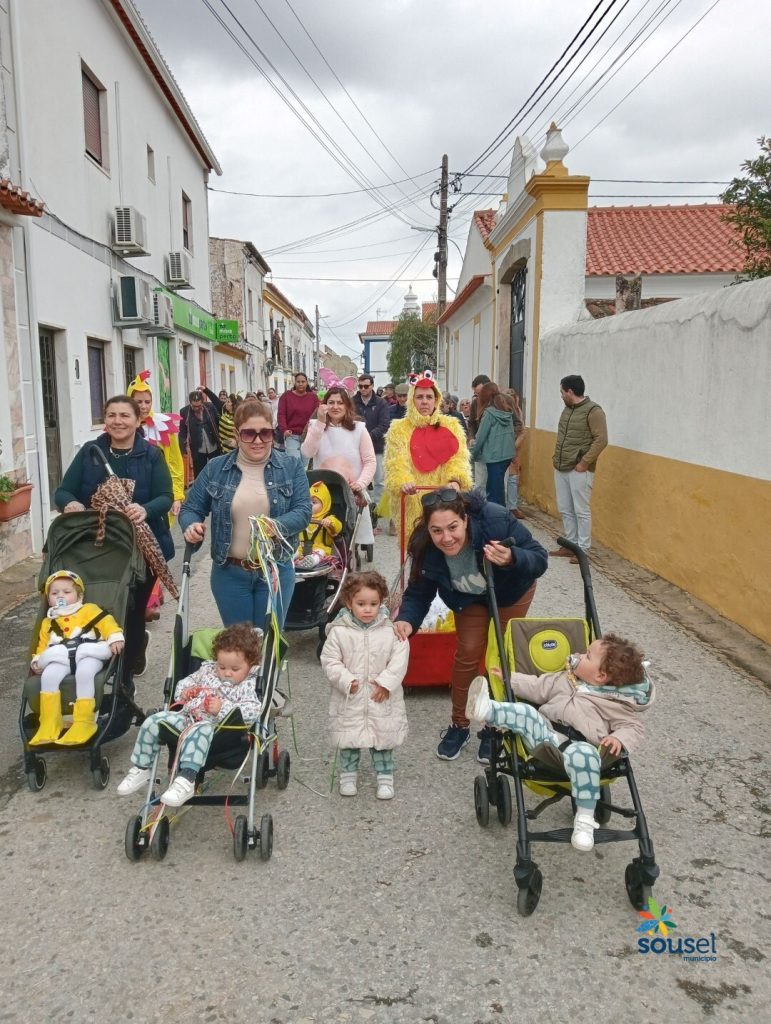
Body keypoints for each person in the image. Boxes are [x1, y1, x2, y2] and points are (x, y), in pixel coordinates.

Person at [393, 488, 548, 762]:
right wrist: (406, 620)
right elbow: (419, 591)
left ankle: (495, 726)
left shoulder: (495, 520)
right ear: (428, 529)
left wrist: (512, 558)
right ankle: (459, 724)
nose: (446, 538)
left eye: (453, 527)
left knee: (500, 654)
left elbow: (539, 556)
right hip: (467, 596)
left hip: (511, 591)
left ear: (465, 519)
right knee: (468, 652)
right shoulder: (425, 546)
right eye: (437, 530)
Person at [465, 633, 652, 851]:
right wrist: (510, 679)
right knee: (527, 713)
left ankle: (584, 822)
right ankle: (486, 710)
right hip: (547, 741)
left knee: (584, 755)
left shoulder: (615, 702)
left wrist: (618, 737)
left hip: (583, 749)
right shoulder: (564, 679)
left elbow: (633, 727)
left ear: (601, 675)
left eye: (587, 656)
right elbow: (537, 687)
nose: (578, 655)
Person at [55, 395, 174, 680]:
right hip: (98, 547)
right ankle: (98, 666)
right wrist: (71, 503)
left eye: (124, 415)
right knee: (98, 607)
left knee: (131, 609)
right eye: (111, 415)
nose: (117, 421)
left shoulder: (151, 455)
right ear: (105, 420)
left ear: (137, 420)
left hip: (140, 547)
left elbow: (165, 497)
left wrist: (144, 509)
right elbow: (63, 491)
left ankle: (125, 676)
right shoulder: (91, 452)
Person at [180, 399, 311, 629]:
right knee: (239, 644)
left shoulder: (291, 466)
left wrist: (274, 526)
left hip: (276, 570)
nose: (258, 441)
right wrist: (191, 526)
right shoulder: (215, 468)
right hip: (229, 573)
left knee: (269, 642)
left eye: (265, 433)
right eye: (249, 433)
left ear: (273, 433)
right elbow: (191, 508)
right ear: (237, 434)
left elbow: (303, 511)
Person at [116, 623, 263, 807]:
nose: (226, 673)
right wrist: (186, 692)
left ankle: (186, 779)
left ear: (250, 665)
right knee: (153, 721)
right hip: (187, 719)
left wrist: (222, 708)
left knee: (200, 729)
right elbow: (184, 684)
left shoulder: (248, 684)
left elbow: (252, 710)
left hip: (218, 730)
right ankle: (142, 768)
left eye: (234, 669)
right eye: (222, 666)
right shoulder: (207, 670)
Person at [321, 571, 409, 800]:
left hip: (381, 696)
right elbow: (330, 660)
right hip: (351, 696)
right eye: (361, 604)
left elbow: (400, 658)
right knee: (349, 739)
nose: (368, 609)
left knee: (382, 740)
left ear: (381, 602)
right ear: (349, 602)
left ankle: (385, 778)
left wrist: (386, 683)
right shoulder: (339, 631)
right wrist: (345, 680)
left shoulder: (390, 630)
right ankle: (348, 776)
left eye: (373, 604)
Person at [29, 570, 125, 746]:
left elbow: (107, 623)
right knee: (48, 676)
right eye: (54, 593)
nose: (60, 596)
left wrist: (114, 637)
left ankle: (84, 721)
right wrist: (37, 659)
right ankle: (50, 721)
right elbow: (43, 645)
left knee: (84, 673)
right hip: (61, 657)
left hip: (88, 653)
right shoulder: (48, 622)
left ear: (79, 595)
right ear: (48, 599)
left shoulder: (88, 610)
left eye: (66, 592)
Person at [383, 371, 472, 546]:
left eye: (429, 397)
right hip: (412, 497)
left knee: (446, 543)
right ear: (412, 400)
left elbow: (458, 458)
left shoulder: (451, 425)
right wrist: (403, 481)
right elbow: (395, 462)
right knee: (417, 546)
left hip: (444, 498)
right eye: (419, 397)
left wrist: (455, 480)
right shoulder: (398, 429)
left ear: (436, 400)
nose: (424, 401)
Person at [127, 371, 185, 621]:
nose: (143, 406)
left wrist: (177, 495)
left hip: (159, 498)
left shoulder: (162, 426)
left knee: (155, 547)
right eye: (138, 401)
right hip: (130, 499)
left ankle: (149, 600)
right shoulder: (122, 425)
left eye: (147, 401)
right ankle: (144, 596)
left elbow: (175, 463)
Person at [301, 385, 376, 547]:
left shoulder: (359, 429)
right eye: (331, 402)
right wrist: (320, 423)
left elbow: (370, 460)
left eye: (340, 403)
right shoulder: (316, 426)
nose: (335, 407)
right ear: (324, 405)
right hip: (322, 489)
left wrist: (361, 483)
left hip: (350, 489)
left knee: (347, 531)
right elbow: (307, 452)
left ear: (347, 405)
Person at [552, 374, 608, 562]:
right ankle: (570, 544)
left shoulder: (594, 411)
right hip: (561, 466)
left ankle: (582, 549)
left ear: (570, 392)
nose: (561, 396)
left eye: (562, 392)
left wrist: (584, 462)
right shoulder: (567, 410)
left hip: (579, 469)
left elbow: (601, 440)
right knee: (565, 508)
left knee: (581, 510)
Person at [471, 382, 517, 506]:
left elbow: (480, 437)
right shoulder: (506, 411)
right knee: (499, 488)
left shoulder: (489, 413)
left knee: (493, 492)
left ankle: (497, 515)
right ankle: (501, 512)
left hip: (493, 457)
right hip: (506, 456)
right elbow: (513, 433)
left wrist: (472, 455)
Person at [352, 373, 391, 519]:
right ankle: (361, 510)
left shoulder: (381, 403)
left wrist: (368, 436)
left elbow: (385, 424)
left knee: (379, 481)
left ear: (372, 386)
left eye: (366, 386)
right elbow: (349, 420)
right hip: (356, 448)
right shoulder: (352, 402)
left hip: (377, 447)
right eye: (360, 386)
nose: (363, 389)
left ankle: (377, 512)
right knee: (359, 479)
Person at [295, 480, 342, 570]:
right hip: (301, 547)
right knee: (294, 550)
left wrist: (330, 522)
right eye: (308, 501)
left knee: (320, 552)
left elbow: (338, 527)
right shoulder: (302, 516)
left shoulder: (328, 518)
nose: (310, 505)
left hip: (320, 547)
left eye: (314, 502)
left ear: (324, 504)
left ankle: (311, 560)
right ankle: (290, 559)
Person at [179, 388, 222, 479]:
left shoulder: (210, 407)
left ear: (202, 402)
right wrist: (183, 450)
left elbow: (219, 422)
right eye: (194, 406)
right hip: (197, 449)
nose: (196, 408)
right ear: (190, 403)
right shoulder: (184, 412)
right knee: (200, 475)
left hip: (213, 446)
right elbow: (182, 432)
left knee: (216, 471)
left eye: (199, 406)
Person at [277, 372, 319, 464]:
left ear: (307, 383)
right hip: (292, 435)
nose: (300, 384)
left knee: (305, 464)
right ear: (295, 383)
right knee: (295, 463)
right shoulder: (286, 396)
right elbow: (281, 414)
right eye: (298, 382)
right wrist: (284, 429)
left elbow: (317, 415)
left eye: (303, 381)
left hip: (308, 436)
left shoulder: (313, 397)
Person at [504, 389, 526, 520]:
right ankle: (505, 506)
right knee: (504, 478)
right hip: (502, 449)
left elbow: (522, 431)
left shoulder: (517, 412)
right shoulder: (501, 411)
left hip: (513, 448)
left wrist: (513, 448)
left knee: (512, 477)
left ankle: (512, 506)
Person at [468, 374, 492, 490]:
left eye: (480, 393)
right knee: (480, 484)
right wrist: (472, 437)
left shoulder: (499, 402)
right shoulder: (475, 403)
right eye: (476, 394)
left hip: (496, 451)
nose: (478, 396)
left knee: (497, 485)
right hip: (480, 448)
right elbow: (471, 423)